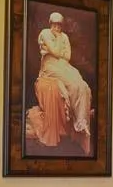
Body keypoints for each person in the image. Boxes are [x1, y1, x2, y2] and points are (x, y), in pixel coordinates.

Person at [30, 12, 93, 150]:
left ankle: (81, 121)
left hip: (63, 65)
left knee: (82, 85)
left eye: (59, 25)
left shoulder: (65, 36)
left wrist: (57, 50)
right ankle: (79, 121)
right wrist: (58, 45)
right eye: (54, 24)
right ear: (50, 23)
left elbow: (67, 56)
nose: (56, 27)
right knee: (72, 83)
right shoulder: (45, 33)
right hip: (49, 66)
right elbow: (57, 52)